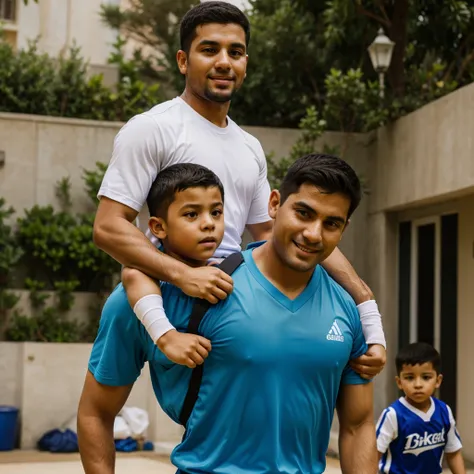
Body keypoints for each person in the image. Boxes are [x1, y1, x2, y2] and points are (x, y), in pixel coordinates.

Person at [92, 1, 386, 373]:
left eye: (236, 52)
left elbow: (274, 231)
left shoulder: (249, 146)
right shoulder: (151, 128)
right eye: (210, 50)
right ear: (183, 61)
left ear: (246, 63)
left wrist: (361, 296)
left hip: (230, 297)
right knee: (98, 411)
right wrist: (184, 275)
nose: (224, 62)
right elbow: (108, 227)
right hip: (153, 294)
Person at [78, 154, 378, 474]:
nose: (314, 234)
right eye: (303, 213)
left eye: (331, 223)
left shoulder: (346, 308)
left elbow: (358, 426)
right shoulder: (182, 295)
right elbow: (95, 413)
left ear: (344, 228)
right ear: (274, 204)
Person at [376, 342, 465, 474]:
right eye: (410, 377)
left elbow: (453, 453)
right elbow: (373, 455)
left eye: (426, 377)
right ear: (399, 382)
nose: (418, 384)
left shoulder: (444, 411)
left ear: (438, 380)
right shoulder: (393, 415)